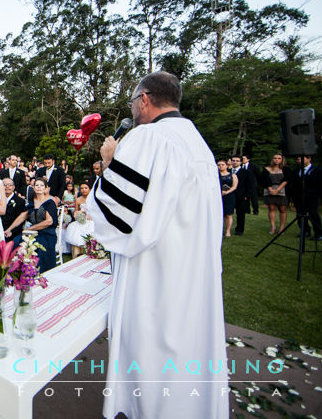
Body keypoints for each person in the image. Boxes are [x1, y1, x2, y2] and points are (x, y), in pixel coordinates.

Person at [86, 71, 227, 419]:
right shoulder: (197, 142)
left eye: (133, 102)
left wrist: (108, 162)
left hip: (157, 275)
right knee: (186, 351)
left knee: (155, 356)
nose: (132, 109)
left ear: (145, 99)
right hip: (192, 269)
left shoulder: (148, 137)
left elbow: (120, 212)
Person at [291, 156, 322, 240]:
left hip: (312, 197)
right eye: (298, 159)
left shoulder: (318, 170)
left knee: (313, 214)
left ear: (309, 159)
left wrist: (318, 195)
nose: (299, 161)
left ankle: (319, 234)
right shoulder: (296, 171)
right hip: (299, 198)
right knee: (300, 215)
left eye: (301, 159)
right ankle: (305, 231)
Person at [26, 178, 59, 272]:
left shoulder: (50, 202)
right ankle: (25, 271)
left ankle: (43, 271)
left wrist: (31, 228)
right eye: (37, 185)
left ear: (46, 188)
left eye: (41, 185)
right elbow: (22, 217)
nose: (39, 187)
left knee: (40, 244)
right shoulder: (31, 203)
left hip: (47, 232)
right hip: (34, 232)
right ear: (33, 187)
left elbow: (49, 222)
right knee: (18, 240)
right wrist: (10, 229)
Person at [263, 153, 289, 234]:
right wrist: (271, 190)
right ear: (272, 159)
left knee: (283, 209)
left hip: (282, 189)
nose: (277, 160)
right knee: (271, 208)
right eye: (275, 158)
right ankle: (273, 227)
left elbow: (286, 180)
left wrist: (278, 190)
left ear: (282, 160)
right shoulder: (267, 169)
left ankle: (282, 228)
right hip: (269, 189)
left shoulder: (286, 169)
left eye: (279, 158)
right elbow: (265, 180)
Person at [231, 155, 255, 236]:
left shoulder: (246, 172)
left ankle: (239, 230)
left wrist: (246, 196)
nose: (235, 162)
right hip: (229, 195)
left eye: (237, 160)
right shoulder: (227, 171)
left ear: (241, 162)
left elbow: (250, 185)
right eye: (233, 160)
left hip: (241, 196)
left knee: (240, 214)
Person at [1, 178, 27, 242]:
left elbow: (20, 220)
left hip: (13, 233)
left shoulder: (20, 201)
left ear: (14, 187)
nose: (7, 187)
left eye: (10, 185)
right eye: (5, 185)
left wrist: (11, 231)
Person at [218, 159, 238, 237]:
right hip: (218, 196)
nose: (220, 166)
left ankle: (228, 231)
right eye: (219, 165)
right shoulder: (215, 175)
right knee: (218, 214)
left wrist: (226, 192)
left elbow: (234, 186)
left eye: (222, 164)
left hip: (229, 196)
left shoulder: (232, 175)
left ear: (226, 165)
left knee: (228, 214)